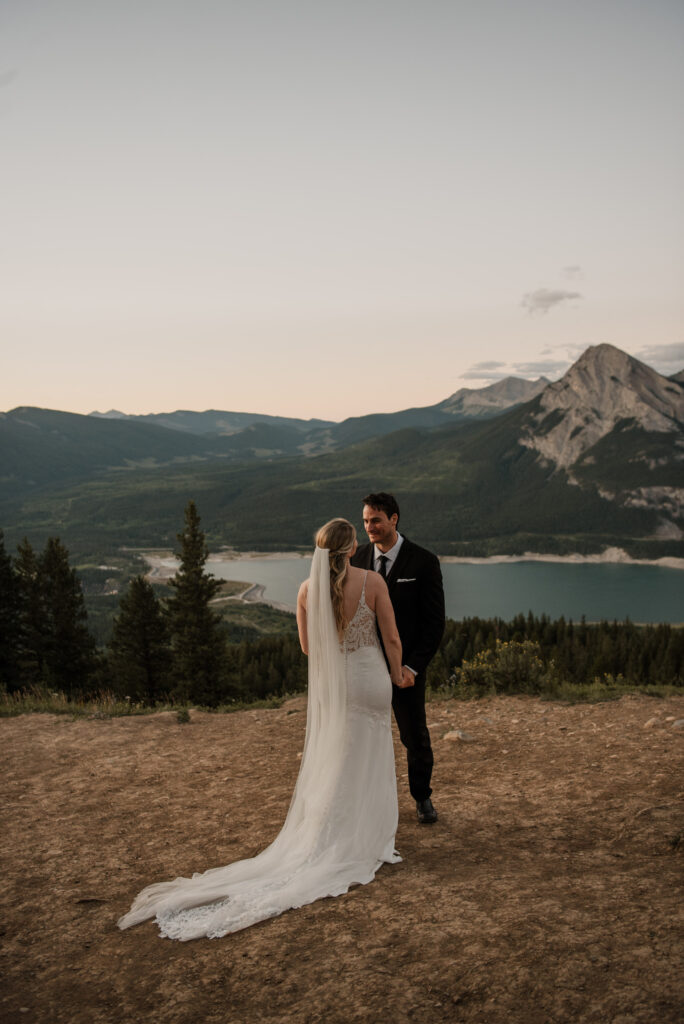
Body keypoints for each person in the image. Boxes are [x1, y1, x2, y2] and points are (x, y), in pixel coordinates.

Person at [117, 517, 405, 940]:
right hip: (369, 678)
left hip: (336, 684)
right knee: (371, 753)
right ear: (352, 547)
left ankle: (332, 832)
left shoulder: (307, 590)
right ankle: (367, 836)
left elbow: (309, 648)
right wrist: (398, 674)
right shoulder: (372, 583)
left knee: (338, 754)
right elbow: (392, 639)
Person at [351, 492, 445, 825]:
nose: (369, 527)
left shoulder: (423, 561)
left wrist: (412, 667)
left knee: (413, 735)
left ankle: (422, 798)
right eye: (365, 521)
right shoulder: (357, 557)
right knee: (361, 736)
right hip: (364, 668)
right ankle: (363, 802)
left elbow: (434, 624)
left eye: (375, 520)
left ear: (394, 519)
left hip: (404, 670)